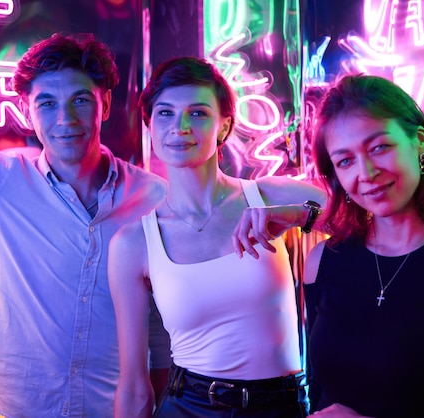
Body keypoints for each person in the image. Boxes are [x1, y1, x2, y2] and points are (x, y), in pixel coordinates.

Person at [0, 32, 171, 417]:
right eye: (46, 103)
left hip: (114, 409)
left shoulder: (154, 197)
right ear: (27, 111)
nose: (66, 120)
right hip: (17, 407)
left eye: (80, 100)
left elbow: (161, 322)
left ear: (106, 103)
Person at [233, 74, 424, 418]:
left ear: (419, 141)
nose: (367, 172)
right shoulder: (323, 261)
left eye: (379, 147)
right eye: (345, 161)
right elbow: (323, 397)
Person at [107, 56, 326, 418]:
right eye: (164, 113)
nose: (180, 127)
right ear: (149, 125)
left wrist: (300, 215)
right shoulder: (134, 243)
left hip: (281, 406)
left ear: (224, 127)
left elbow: (362, 212)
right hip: (189, 405)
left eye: (197, 113)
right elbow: (133, 383)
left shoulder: (268, 196)